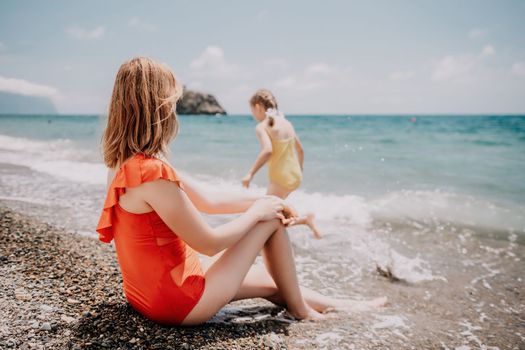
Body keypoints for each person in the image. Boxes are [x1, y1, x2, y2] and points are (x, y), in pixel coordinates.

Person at [96, 57, 386, 326]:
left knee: (274, 282)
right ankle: (301, 310)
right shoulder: (151, 173)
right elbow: (209, 243)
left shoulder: (126, 163)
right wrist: (260, 212)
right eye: (172, 103)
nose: (174, 110)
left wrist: (267, 199)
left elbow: (209, 200)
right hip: (177, 302)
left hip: (146, 292)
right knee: (269, 221)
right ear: (158, 108)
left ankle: (344, 305)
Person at [242, 89, 321, 239]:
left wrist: (250, 174)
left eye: (252, 111)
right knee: (276, 214)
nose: (253, 115)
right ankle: (305, 219)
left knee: (264, 214)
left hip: (280, 178)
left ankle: (259, 246)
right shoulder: (287, 123)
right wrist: (299, 171)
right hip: (294, 176)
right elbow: (301, 150)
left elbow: (267, 151)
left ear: (258, 106)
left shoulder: (262, 126)